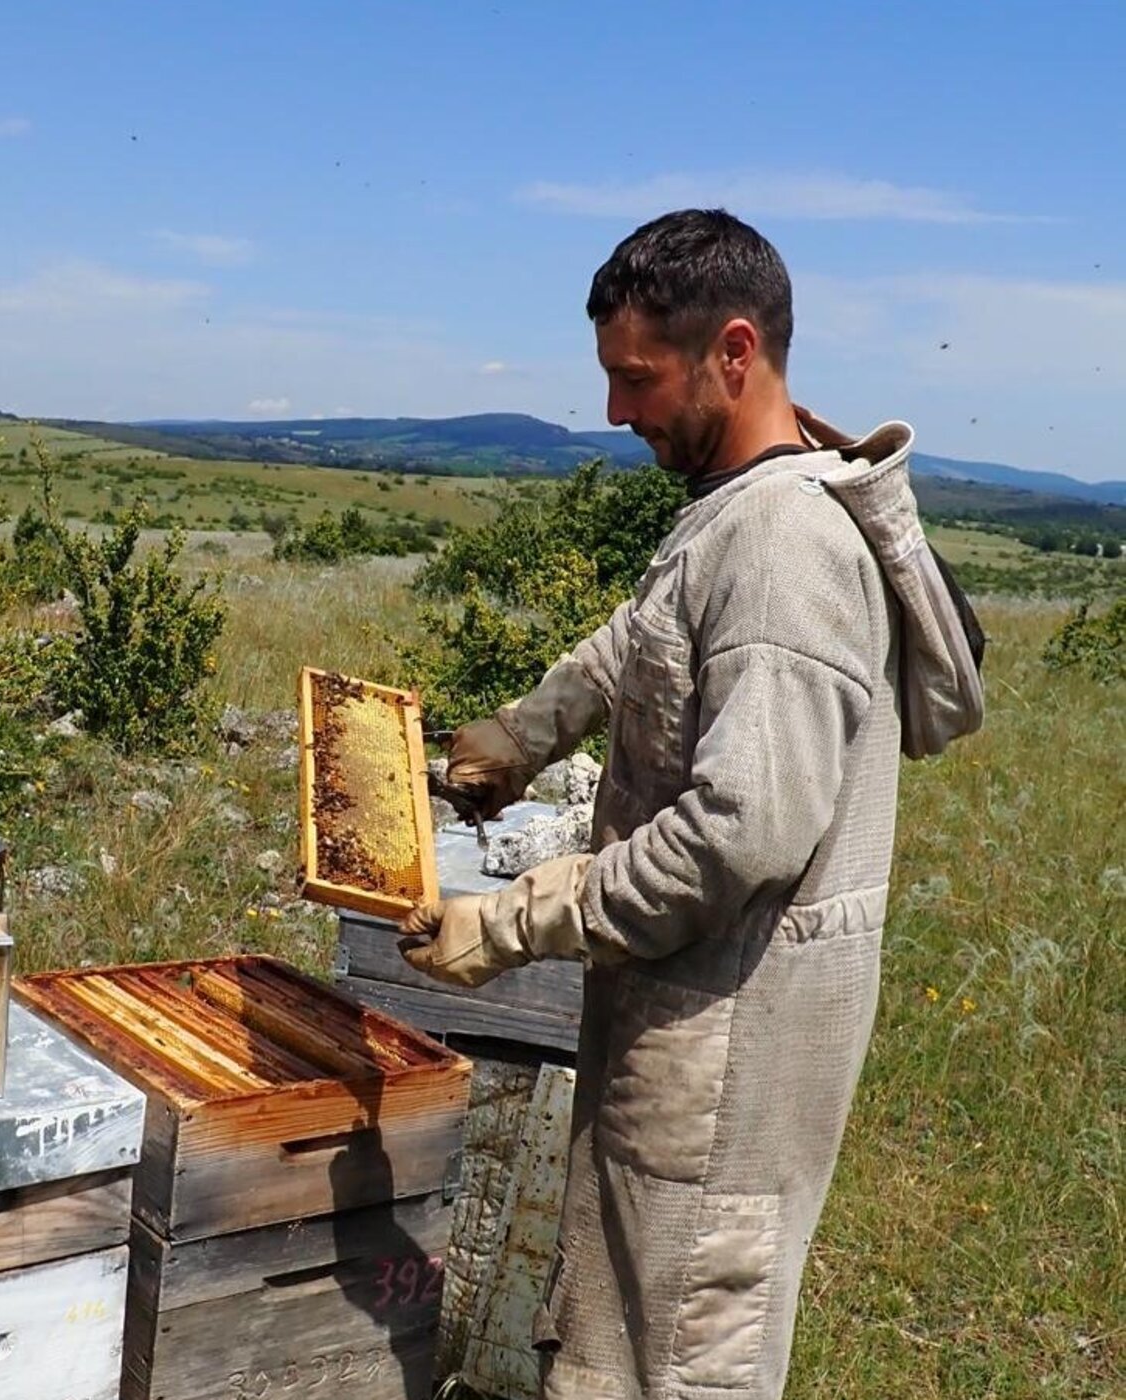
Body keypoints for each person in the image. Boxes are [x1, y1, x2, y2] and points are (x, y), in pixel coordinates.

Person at [397, 209, 984, 1399]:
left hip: (721, 1082)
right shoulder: (739, 504)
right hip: (680, 1053)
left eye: (635, 377)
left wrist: (511, 920)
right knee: (614, 1344)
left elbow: (735, 833)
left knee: (668, 1368)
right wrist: (527, 727)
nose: (615, 410)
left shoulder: (784, 546)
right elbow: (652, 633)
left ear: (731, 351)